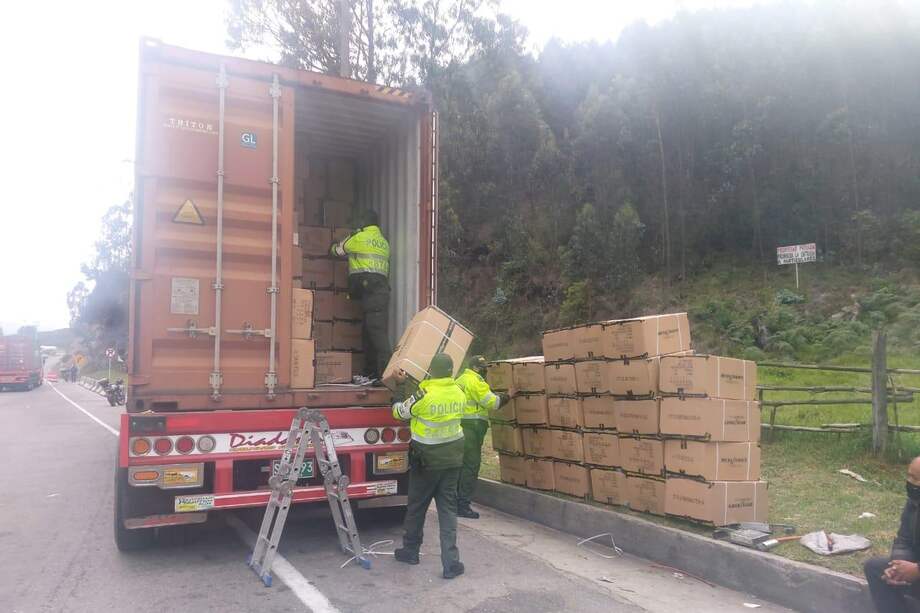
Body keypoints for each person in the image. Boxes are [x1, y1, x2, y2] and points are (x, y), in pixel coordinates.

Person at [391, 353, 466, 579]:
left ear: (431, 371)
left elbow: (398, 412)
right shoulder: (459, 393)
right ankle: (451, 563)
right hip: (452, 462)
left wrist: (399, 386)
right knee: (448, 511)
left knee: (416, 508)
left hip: (426, 463)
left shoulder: (423, 396)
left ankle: (411, 551)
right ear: (451, 371)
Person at [329, 210, 391, 382]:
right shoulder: (383, 242)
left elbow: (338, 251)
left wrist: (332, 244)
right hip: (378, 294)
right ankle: (370, 373)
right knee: (370, 334)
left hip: (372, 294)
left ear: (364, 221)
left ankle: (386, 377)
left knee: (378, 337)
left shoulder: (359, 237)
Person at [455, 355, 510, 519]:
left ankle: (453, 503)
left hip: (459, 428)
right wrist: (508, 395)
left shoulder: (460, 380)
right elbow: (493, 403)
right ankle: (462, 506)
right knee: (470, 467)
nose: (485, 370)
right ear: (475, 368)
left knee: (460, 466)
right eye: (482, 367)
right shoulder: (476, 381)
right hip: (472, 429)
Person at [864, 456, 920, 612]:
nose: (912, 483)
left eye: (917, 479)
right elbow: (904, 539)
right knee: (875, 569)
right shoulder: (914, 502)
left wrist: (917, 570)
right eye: (910, 476)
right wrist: (898, 565)